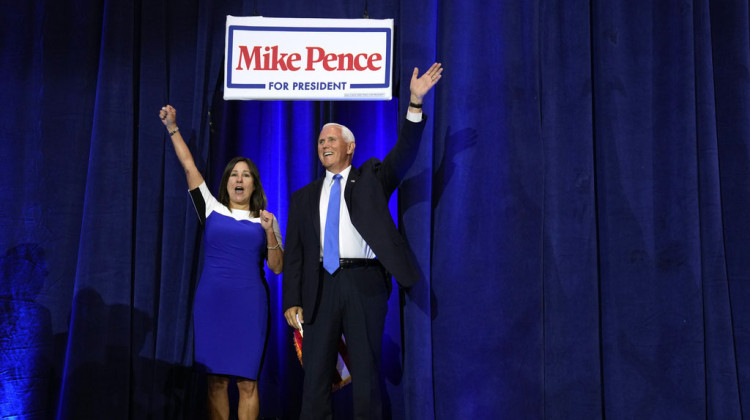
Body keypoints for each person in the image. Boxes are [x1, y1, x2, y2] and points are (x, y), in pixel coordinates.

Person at [282, 63, 443, 419]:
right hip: (319, 289)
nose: (324, 144)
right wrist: (291, 299)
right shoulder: (303, 197)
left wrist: (414, 103)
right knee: (315, 379)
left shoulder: (371, 177)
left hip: (364, 284)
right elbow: (293, 256)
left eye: (332, 140)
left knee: (367, 378)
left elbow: (403, 154)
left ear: (350, 147)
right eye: (321, 141)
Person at [158, 105, 283, 420]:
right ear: (227, 181)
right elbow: (188, 166)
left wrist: (270, 234)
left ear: (254, 184)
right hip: (213, 304)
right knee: (215, 383)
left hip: (249, 305)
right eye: (234, 175)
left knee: (247, 384)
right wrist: (173, 127)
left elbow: (278, 267)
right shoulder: (210, 207)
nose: (239, 180)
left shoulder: (266, 219)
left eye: (246, 175)